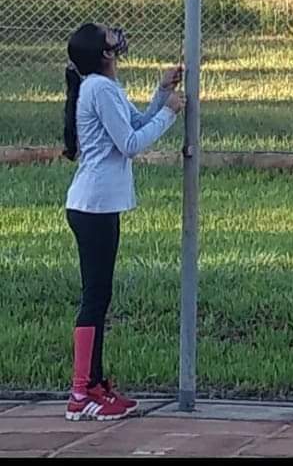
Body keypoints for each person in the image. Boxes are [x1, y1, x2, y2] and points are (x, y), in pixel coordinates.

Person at [62, 23, 185, 422]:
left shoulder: (104, 88)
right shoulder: (98, 88)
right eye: (107, 37)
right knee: (94, 297)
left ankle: (93, 385)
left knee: (100, 296)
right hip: (92, 206)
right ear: (103, 53)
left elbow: (133, 123)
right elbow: (130, 145)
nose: (115, 37)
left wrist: (162, 93)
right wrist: (170, 114)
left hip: (100, 205)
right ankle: (81, 392)